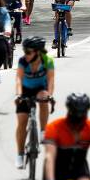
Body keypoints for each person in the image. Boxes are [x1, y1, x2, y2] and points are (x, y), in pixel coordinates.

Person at [15, 36, 55, 169]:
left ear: (38, 52)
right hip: (25, 90)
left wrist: (49, 94)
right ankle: (20, 154)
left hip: (40, 88)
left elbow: (50, 80)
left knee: (43, 98)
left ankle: (43, 131)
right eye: (24, 51)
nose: (25, 55)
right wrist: (18, 95)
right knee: (22, 122)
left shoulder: (47, 61)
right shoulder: (23, 61)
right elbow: (19, 80)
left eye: (28, 52)